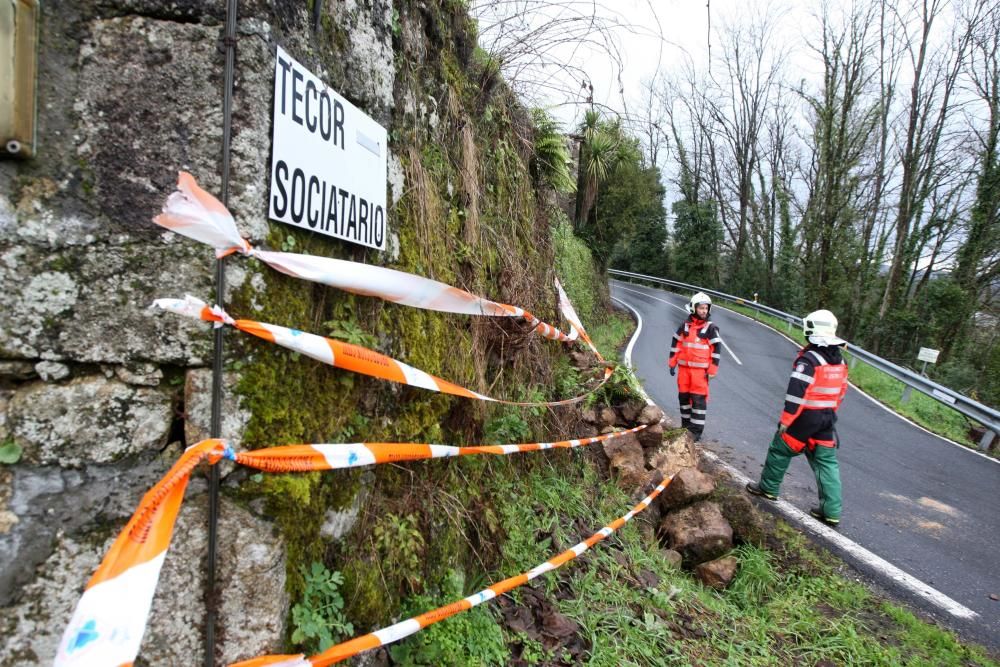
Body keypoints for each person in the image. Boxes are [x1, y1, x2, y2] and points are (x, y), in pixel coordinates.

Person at [746, 309, 849, 527]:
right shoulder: (840, 361)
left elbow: (796, 392)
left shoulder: (809, 360)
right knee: (827, 463)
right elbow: (841, 392)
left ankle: (768, 488)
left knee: (780, 450)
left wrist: (786, 420)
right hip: (827, 418)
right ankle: (831, 511)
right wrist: (829, 412)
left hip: (804, 418)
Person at [668, 292, 722, 441]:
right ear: (693, 308)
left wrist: (712, 370)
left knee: (698, 402)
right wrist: (672, 362)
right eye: (701, 308)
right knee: (684, 400)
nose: (704, 311)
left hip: (700, 374)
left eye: (706, 308)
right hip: (684, 372)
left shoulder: (711, 328)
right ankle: (685, 428)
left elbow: (716, 350)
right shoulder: (684, 326)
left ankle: (695, 433)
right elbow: (676, 344)